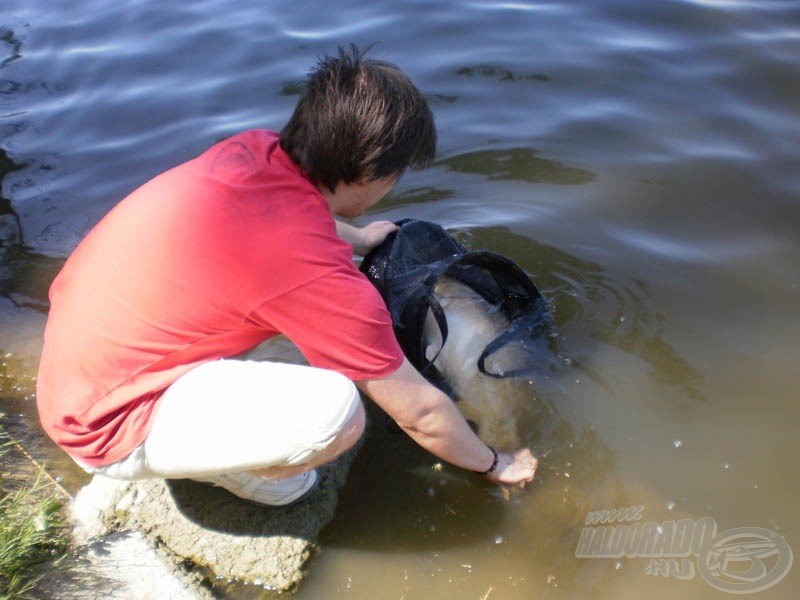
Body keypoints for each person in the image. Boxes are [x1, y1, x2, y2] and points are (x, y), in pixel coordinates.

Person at [36, 45, 538, 507]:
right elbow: (420, 413)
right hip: (104, 428)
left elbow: (289, 217)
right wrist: (495, 461)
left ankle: (191, 435)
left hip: (78, 364)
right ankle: (244, 474)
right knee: (339, 414)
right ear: (371, 176)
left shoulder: (254, 150)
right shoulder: (314, 274)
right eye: (395, 174)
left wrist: (360, 240)